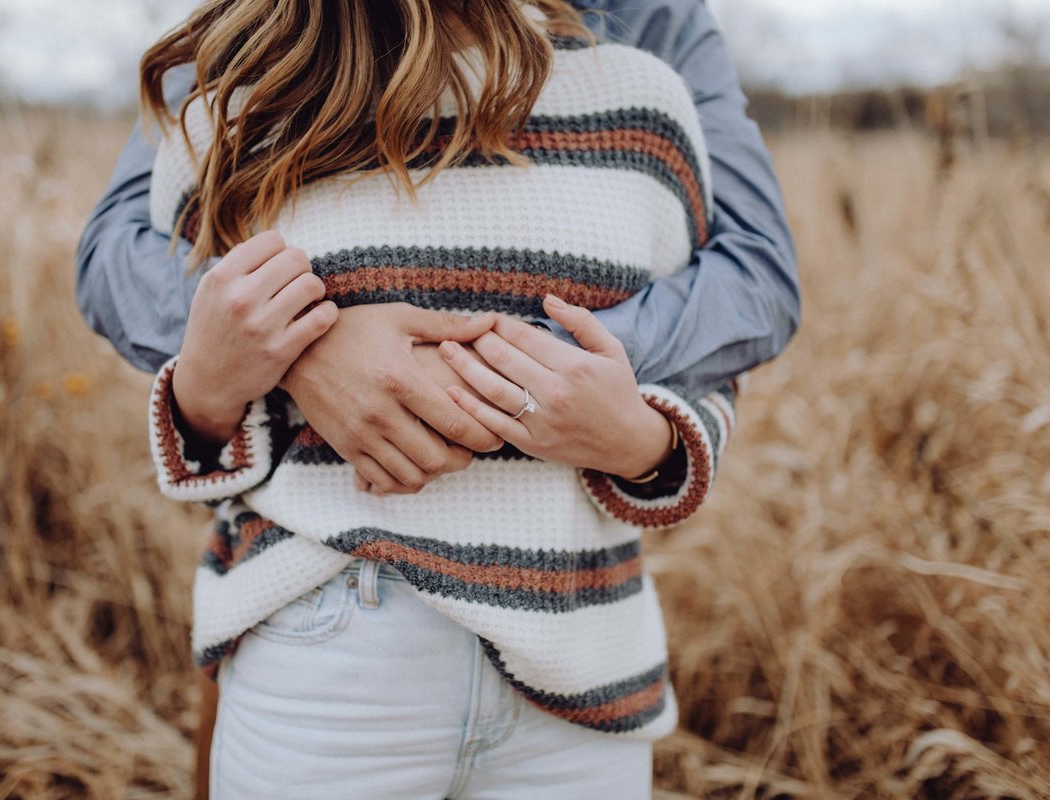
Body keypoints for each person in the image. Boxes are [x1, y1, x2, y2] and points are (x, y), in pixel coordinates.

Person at [75, 1, 798, 796]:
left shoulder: (646, 94)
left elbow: (748, 288)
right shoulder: (242, 88)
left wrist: (612, 421)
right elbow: (133, 272)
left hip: (585, 660)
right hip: (331, 632)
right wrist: (297, 349)